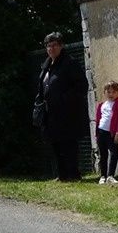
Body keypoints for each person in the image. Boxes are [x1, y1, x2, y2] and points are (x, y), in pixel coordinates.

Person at [36, 32, 88, 181]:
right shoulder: (46, 65)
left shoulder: (69, 63)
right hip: (50, 113)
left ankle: (73, 174)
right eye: (48, 45)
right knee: (55, 144)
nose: (51, 48)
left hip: (67, 114)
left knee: (68, 144)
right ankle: (61, 175)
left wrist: (63, 99)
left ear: (61, 46)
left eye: (54, 45)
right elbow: (43, 87)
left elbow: (81, 86)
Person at [94, 80, 118, 184]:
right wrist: (97, 134)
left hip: (112, 133)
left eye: (113, 92)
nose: (111, 94)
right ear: (105, 93)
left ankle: (110, 175)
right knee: (103, 155)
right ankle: (103, 176)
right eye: (108, 92)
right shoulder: (101, 105)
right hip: (101, 132)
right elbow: (98, 119)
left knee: (114, 153)